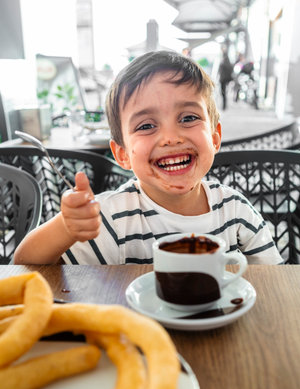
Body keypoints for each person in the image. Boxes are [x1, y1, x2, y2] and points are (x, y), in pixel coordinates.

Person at [13, 51, 283, 265]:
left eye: (188, 118)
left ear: (214, 138)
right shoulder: (110, 218)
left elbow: (274, 285)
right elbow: (23, 262)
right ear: (122, 154)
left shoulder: (235, 210)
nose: (170, 137)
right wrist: (67, 226)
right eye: (146, 126)